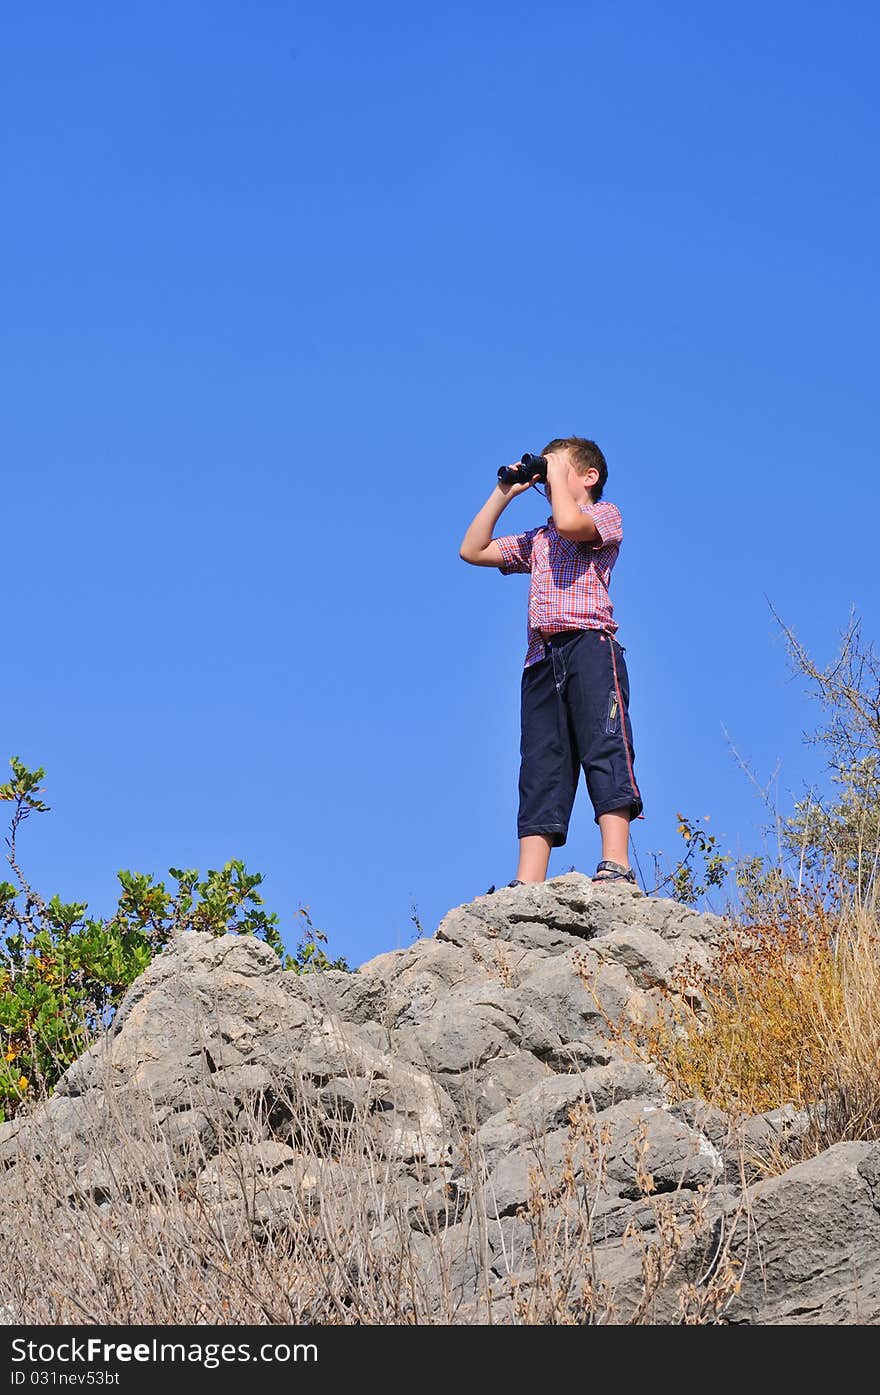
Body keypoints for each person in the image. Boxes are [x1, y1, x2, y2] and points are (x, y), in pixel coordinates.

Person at [459, 436, 644, 891]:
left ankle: (615, 861)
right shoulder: (539, 539)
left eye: (560, 468)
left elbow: (569, 521)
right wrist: (505, 491)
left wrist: (556, 471)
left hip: (590, 646)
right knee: (540, 765)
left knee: (605, 744)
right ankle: (528, 882)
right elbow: (473, 549)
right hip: (541, 658)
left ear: (589, 476)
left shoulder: (606, 516)